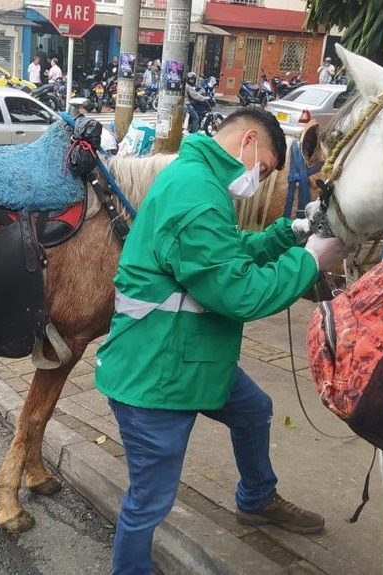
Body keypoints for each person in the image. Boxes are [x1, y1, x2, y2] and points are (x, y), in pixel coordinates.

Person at [94, 107, 347, 575]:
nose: (261, 179)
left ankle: (255, 497)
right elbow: (238, 292)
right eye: (266, 169)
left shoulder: (199, 179)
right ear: (249, 141)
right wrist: (310, 263)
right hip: (157, 374)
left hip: (188, 353)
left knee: (253, 410)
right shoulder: (196, 194)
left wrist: (285, 236)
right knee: (149, 502)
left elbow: (222, 256)